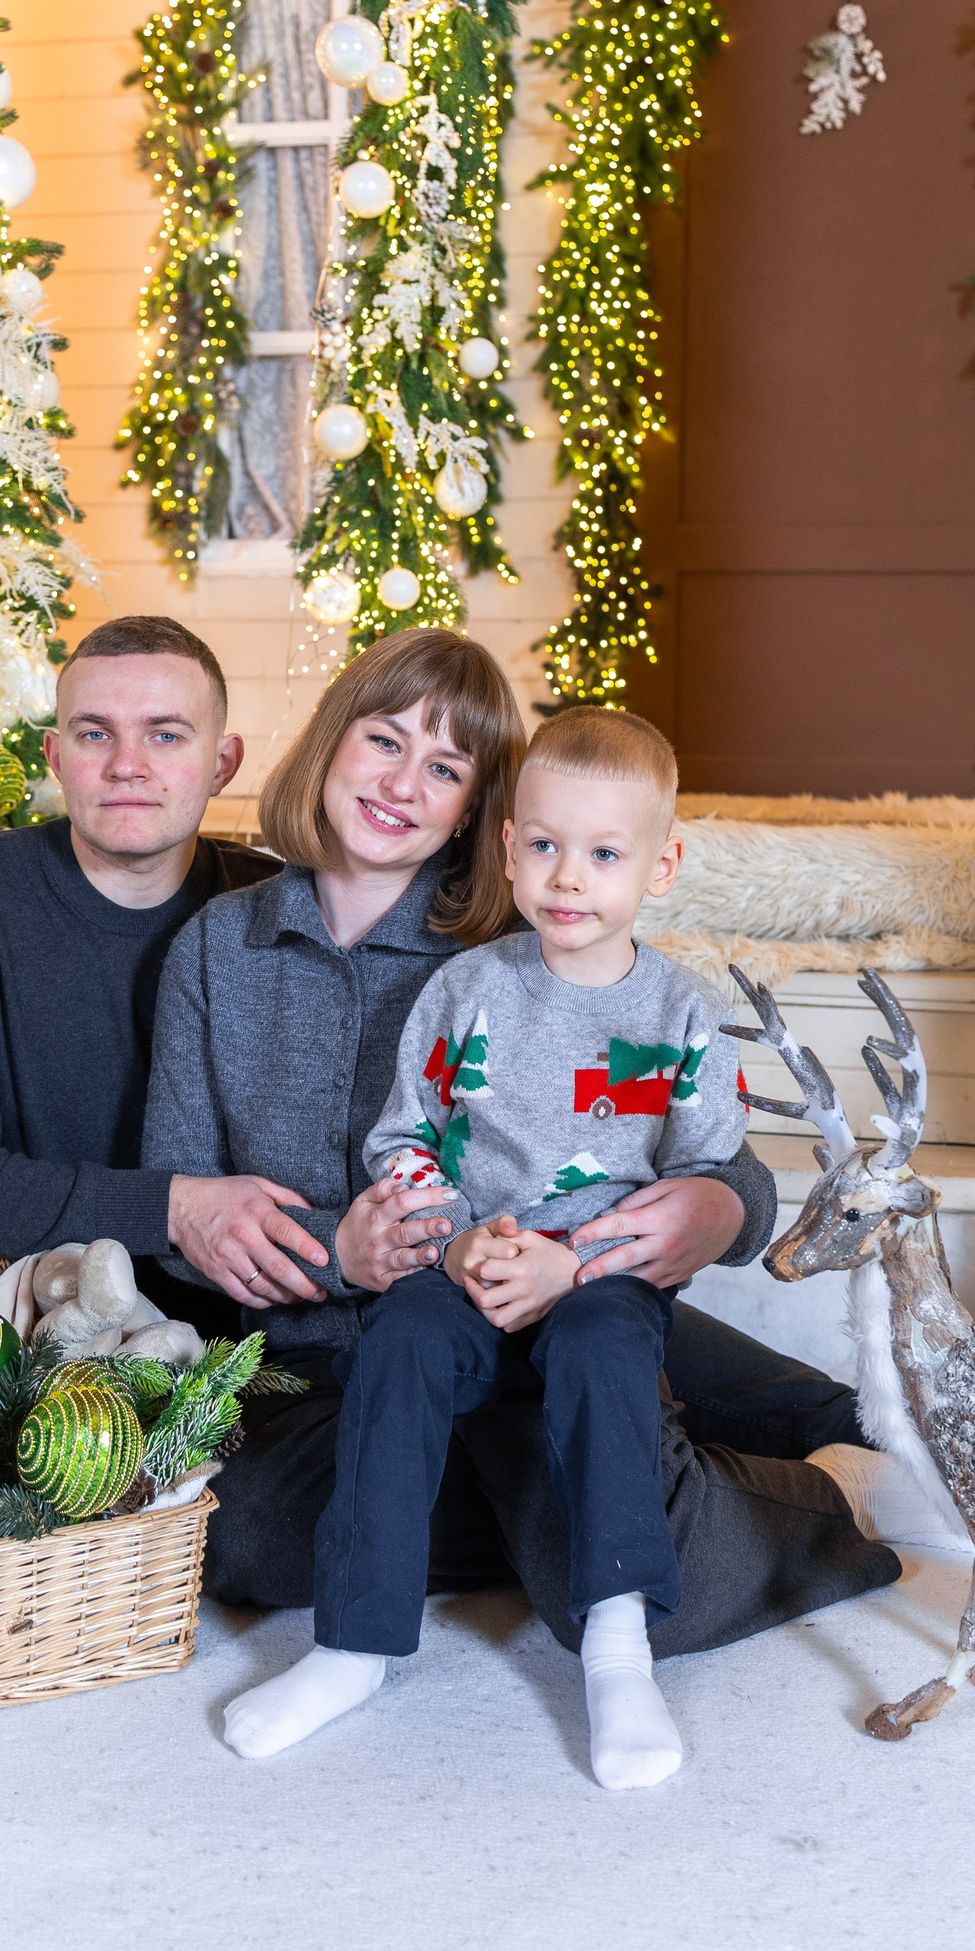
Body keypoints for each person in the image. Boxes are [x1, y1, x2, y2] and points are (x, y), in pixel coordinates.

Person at [143, 628, 900, 1683]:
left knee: (701, 1494)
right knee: (249, 1534)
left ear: (481, 813)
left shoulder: (522, 934)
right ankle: (605, 1482)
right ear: (330, 741)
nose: (403, 784)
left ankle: (811, 1481)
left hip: (560, 1299)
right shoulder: (222, 946)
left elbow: (701, 1147)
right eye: (384, 741)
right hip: (349, 1350)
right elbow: (181, 1208)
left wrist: (724, 1209)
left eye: (445, 767)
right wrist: (341, 1250)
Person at [222, 705, 759, 1788]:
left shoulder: (680, 1015)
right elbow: (402, 1140)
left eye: (604, 854)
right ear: (508, 848)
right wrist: (456, 1241)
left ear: (660, 868)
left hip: (598, 1277)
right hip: (466, 1261)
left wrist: (580, 1264)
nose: (569, 878)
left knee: (605, 1349)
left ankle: (618, 1649)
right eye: (546, 845)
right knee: (403, 1344)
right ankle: (353, 1644)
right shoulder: (467, 991)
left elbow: (703, 1177)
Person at [0, 613, 279, 1267]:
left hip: (236, 1301)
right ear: (56, 757)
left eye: (166, 735)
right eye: (95, 734)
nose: (127, 767)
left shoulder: (278, 909)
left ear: (222, 764)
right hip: (15, 1303)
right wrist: (175, 1210)